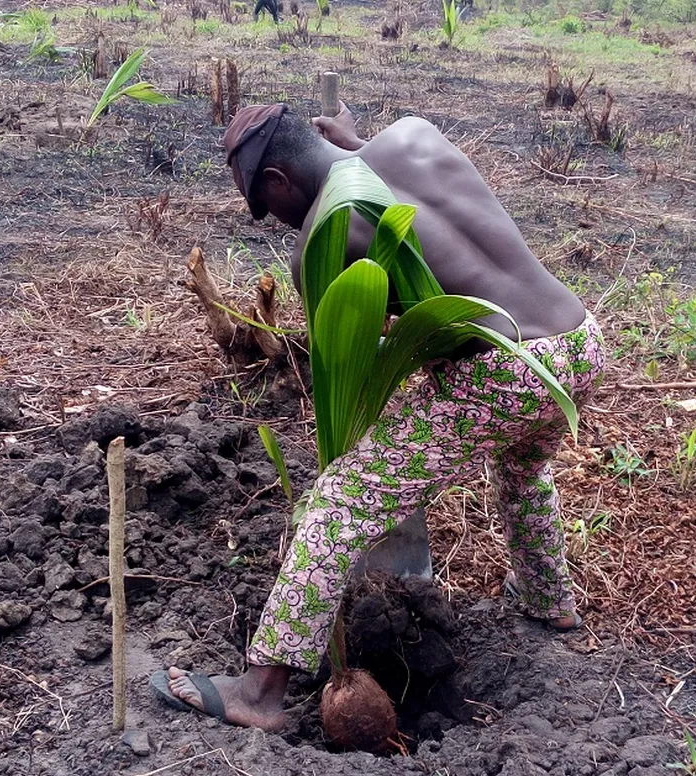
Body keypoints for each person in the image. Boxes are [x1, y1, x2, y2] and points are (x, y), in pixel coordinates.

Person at [153, 103, 604, 731]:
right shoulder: (414, 134)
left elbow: (352, 371)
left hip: (504, 370)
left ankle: (258, 692)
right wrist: (350, 137)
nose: (277, 221)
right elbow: (383, 177)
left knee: (338, 502)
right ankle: (548, 600)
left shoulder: (326, 235)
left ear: (280, 180)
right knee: (522, 467)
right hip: (577, 341)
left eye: (267, 205)